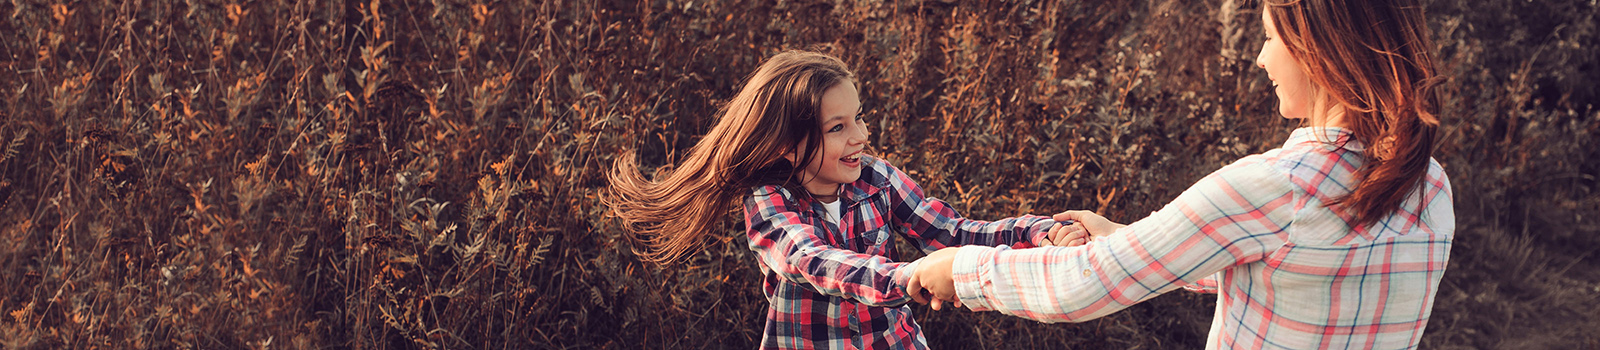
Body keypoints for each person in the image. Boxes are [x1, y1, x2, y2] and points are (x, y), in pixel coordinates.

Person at [906, 0, 1454, 348]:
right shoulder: (1430, 186)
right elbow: (1290, 271)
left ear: (1316, 49)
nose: (1261, 59)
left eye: (1269, 38)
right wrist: (1125, 237)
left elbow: (1084, 285)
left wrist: (963, 268)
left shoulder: (1274, 188)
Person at [603, 50, 1087, 350]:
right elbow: (813, 261)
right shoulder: (769, 201)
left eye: (859, 117)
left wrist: (1038, 232)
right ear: (785, 145)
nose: (860, 135)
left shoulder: (875, 178)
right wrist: (909, 276)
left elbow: (953, 232)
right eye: (838, 128)